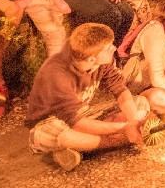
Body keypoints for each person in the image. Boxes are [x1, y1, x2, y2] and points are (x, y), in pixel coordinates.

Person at [25, 23, 149, 172]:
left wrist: (133, 120)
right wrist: (125, 127)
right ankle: (120, 139)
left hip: (85, 113)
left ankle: (79, 148)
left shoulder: (100, 61)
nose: (114, 48)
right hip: (52, 122)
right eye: (108, 47)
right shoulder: (56, 73)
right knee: (56, 134)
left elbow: (120, 90)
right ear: (91, 59)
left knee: (140, 102)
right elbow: (75, 122)